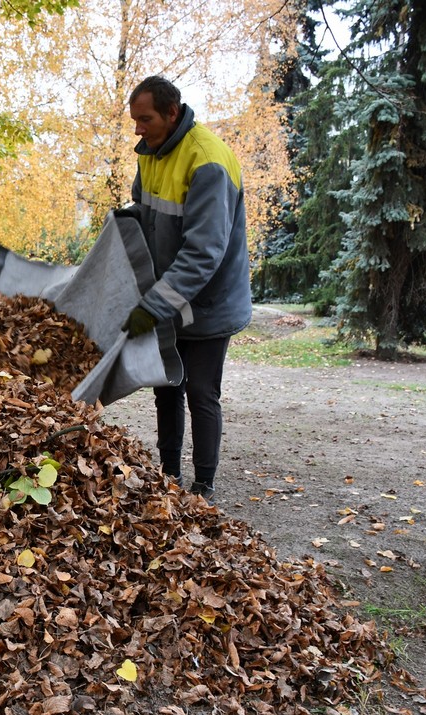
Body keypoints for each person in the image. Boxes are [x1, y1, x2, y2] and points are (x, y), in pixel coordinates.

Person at [119, 75, 251, 502]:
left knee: (200, 392)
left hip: (210, 302)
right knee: (167, 387)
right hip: (171, 300)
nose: (137, 129)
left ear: (171, 113)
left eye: (145, 119)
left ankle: (204, 484)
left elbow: (204, 253)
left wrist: (153, 306)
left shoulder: (208, 161)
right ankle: (169, 476)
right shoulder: (151, 154)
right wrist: (124, 224)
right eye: (134, 119)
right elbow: (146, 211)